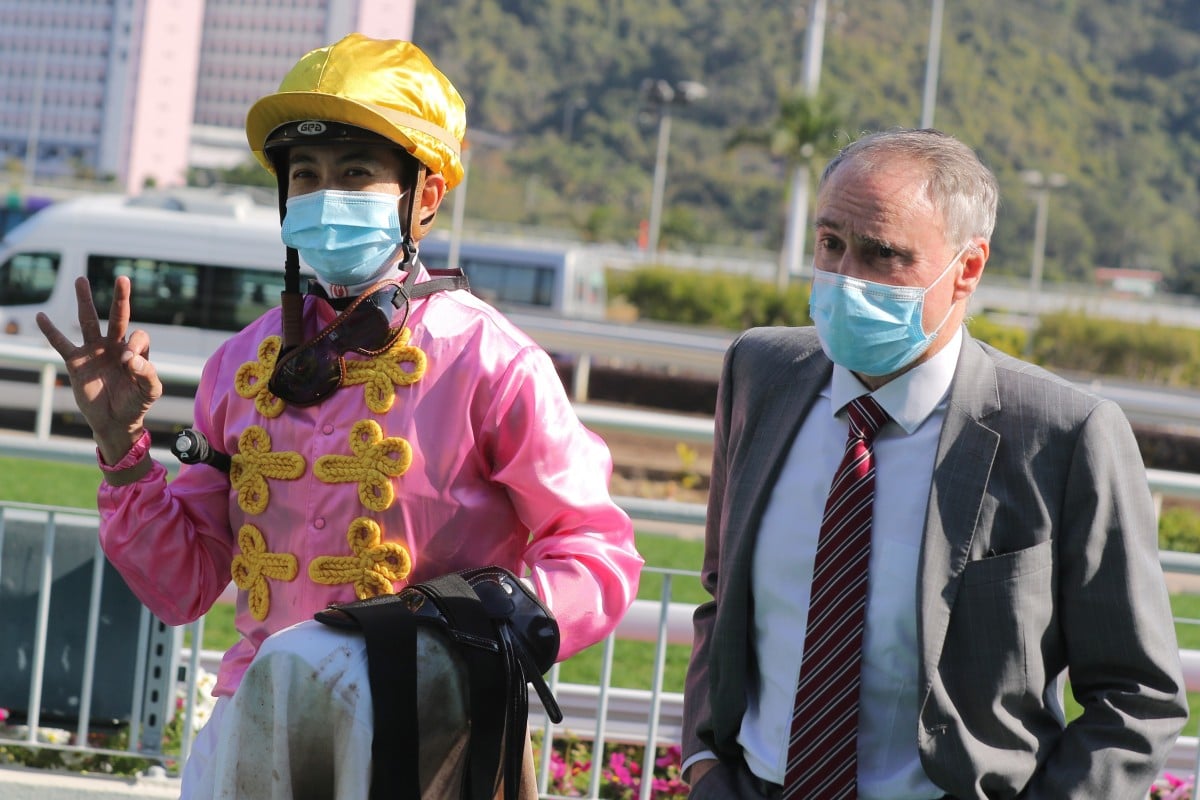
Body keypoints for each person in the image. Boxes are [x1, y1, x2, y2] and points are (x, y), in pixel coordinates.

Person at [36, 33, 642, 798]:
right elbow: (184, 584)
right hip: (258, 723)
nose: (326, 195)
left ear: (423, 197)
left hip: (433, 729)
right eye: (307, 176)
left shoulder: (493, 361)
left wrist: (497, 625)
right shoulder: (239, 366)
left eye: (356, 173)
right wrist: (121, 446)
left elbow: (596, 547)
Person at [680, 128, 1187, 799]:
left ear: (968, 268)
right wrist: (705, 764)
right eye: (831, 243)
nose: (846, 279)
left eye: (883, 255)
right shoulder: (760, 372)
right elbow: (724, 594)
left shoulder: (1062, 435)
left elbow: (1137, 693)